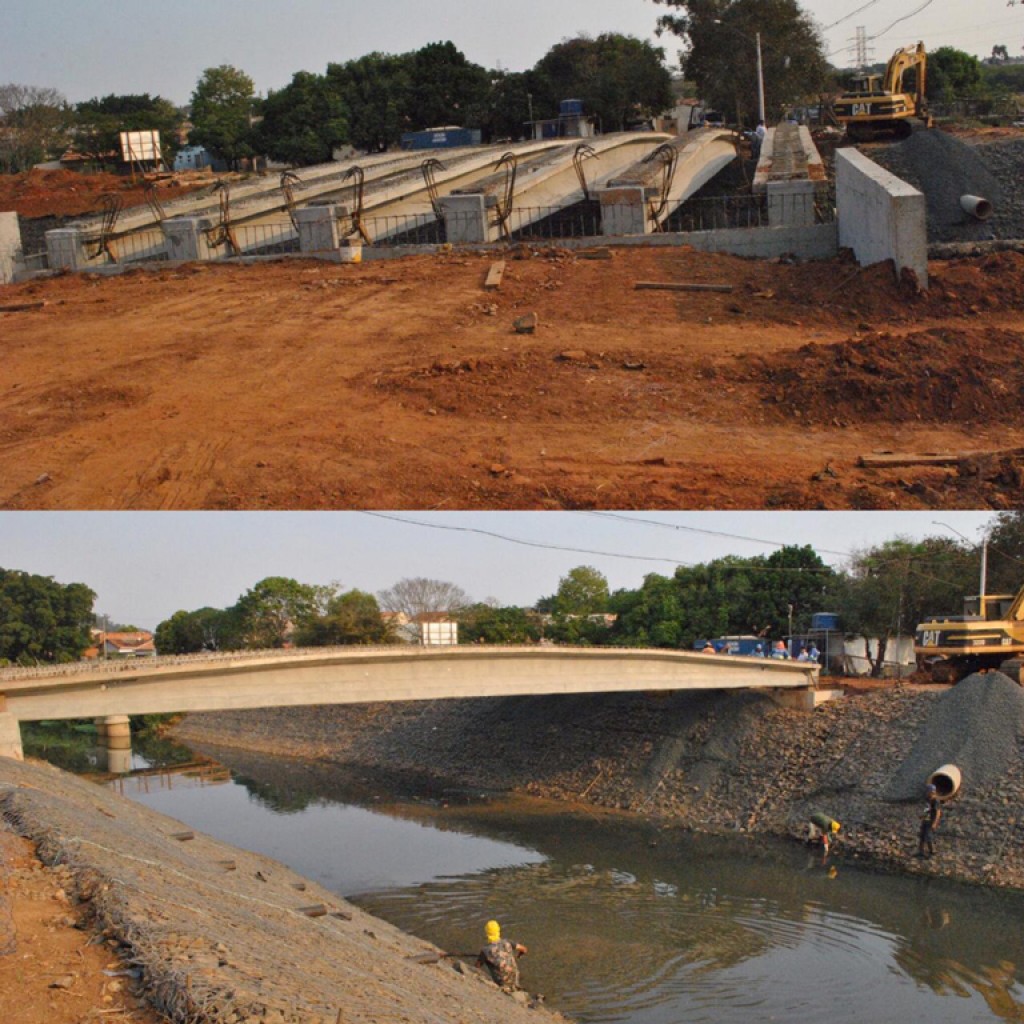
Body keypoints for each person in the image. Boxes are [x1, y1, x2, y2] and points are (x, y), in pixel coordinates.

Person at [477, 919, 527, 993]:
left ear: (487, 933)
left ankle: (506, 988)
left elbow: (477, 967)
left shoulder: (485, 950)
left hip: (501, 982)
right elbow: (524, 949)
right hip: (515, 976)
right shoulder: (508, 942)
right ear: (498, 931)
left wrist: (483, 958)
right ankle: (515, 986)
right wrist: (519, 955)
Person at [917, 783, 941, 858]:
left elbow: (938, 813)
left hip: (930, 821)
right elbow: (927, 809)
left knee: (928, 836)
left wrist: (934, 823)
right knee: (922, 836)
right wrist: (922, 816)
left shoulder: (935, 801)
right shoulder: (928, 799)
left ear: (932, 792)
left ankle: (932, 852)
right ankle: (921, 852)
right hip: (925, 820)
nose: (927, 793)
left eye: (928, 791)